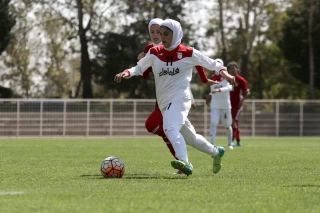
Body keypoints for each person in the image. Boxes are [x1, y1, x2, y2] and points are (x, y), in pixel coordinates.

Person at [114, 19, 235, 176]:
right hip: (164, 103)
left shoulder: (189, 53)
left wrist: (225, 73)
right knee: (191, 138)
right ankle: (216, 151)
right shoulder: (154, 53)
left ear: (176, 34)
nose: (162, 37)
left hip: (181, 99)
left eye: (166, 34)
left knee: (169, 128)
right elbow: (139, 67)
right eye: (160, 33)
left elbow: (213, 64)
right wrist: (127, 73)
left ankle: (185, 162)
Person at [139, 18, 211, 175]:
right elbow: (143, 74)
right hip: (163, 96)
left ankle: (184, 162)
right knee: (182, 134)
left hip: (177, 96)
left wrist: (204, 81)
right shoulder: (151, 49)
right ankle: (193, 158)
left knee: (158, 125)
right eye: (153, 32)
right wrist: (142, 63)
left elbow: (196, 63)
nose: (157, 35)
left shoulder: (182, 51)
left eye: (161, 32)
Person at [206, 59, 233, 149]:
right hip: (215, 105)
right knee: (213, 123)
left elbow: (230, 87)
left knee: (227, 125)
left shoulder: (226, 76)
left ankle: (230, 144)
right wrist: (209, 96)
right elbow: (212, 90)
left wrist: (219, 90)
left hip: (225, 105)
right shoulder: (212, 77)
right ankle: (212, 144)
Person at [228, 62, 250, 147]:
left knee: (234, 121)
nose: (232, 70)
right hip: (228, 104)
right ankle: (238, 141)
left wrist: (242, 100)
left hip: (237, 104)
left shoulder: (241, 80)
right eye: (230, 68)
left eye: (234, 68)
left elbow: (247, 91)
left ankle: (232, 140)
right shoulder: (226, 79)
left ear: (237, 69)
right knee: (234, 122)